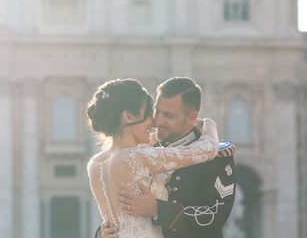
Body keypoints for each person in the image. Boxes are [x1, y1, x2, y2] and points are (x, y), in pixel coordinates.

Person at [97, 77, 236, 238]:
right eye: (157, 111)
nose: (158, 121)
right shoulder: (142, 150)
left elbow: (215, 214)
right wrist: (103, 233)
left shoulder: (217, 156)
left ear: (192, 117)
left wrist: (159, 209)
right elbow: (119, 212)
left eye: (168, 116)